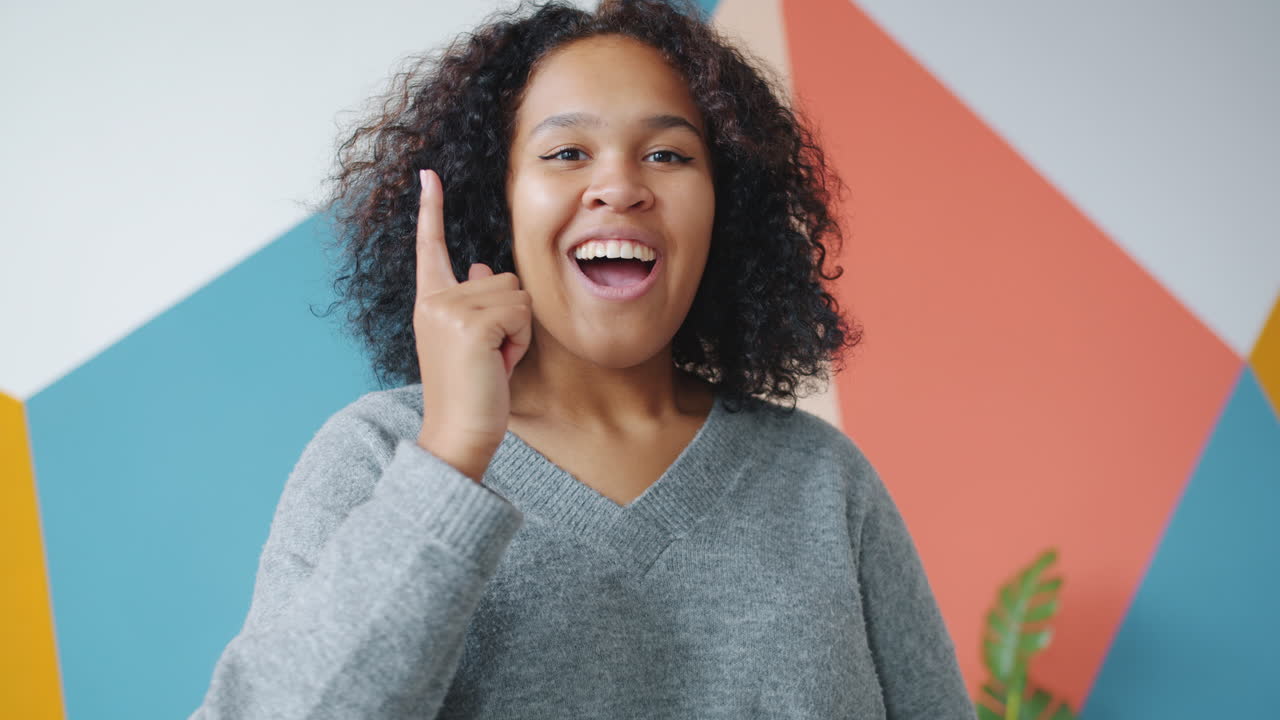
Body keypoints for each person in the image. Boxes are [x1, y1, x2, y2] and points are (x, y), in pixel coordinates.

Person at [190, 0, 973, 717]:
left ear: (724, 210)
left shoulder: (825, 483)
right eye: (567, 152)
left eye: (668, 155)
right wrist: (453, 457)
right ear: (494, 201)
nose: (620, 186)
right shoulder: (379, 457)